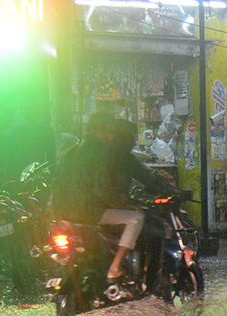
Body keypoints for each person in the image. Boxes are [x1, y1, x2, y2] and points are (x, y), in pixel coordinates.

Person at [50, 113, 168, 288]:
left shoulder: (72, 152)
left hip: (63, 212)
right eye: (108, 132)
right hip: (89, 212)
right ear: (99, 131)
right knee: (137, 217)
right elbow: (102, 188)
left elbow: (57, 184)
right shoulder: (102, 154)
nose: (111, 137)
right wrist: (124, 203)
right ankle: (117, 268)